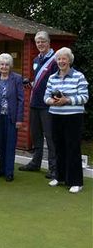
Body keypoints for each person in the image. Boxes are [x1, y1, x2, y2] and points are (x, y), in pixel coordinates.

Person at [44, 47, 89, 193]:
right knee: (58, 146)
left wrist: (67, 100)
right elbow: (46, 97)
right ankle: (60, 177)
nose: (61, 61)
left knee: (72, 148)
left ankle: (76, 181)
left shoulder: (79, 76)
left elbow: (84, 97)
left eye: (64, 59)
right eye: (59, 59)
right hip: (56, 115)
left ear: (69, 60)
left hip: (73, 117)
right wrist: (53, 101)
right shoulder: (52, 78)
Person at [19, 31, 57, 179]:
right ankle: (36, 162)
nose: (40, 44)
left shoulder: (55, 60)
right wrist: (30, 82)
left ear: (48, 42)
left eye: (43, 41)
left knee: (50, 137)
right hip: (35, 102)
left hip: (48, 104)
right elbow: (38, 80)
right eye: (38, 42)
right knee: (36, 135)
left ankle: (54, 168)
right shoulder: (36, 59)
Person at [0, 53, 24, 182]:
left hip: (11, 117)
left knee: (10, 145)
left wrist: (19, 119)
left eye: (7, 64)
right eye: (2, 64)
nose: (4, 67)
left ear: (11, 66)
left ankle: (9, 172)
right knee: (1, 144)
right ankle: (1, 169)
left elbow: (21, 100)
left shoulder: (17, 79)